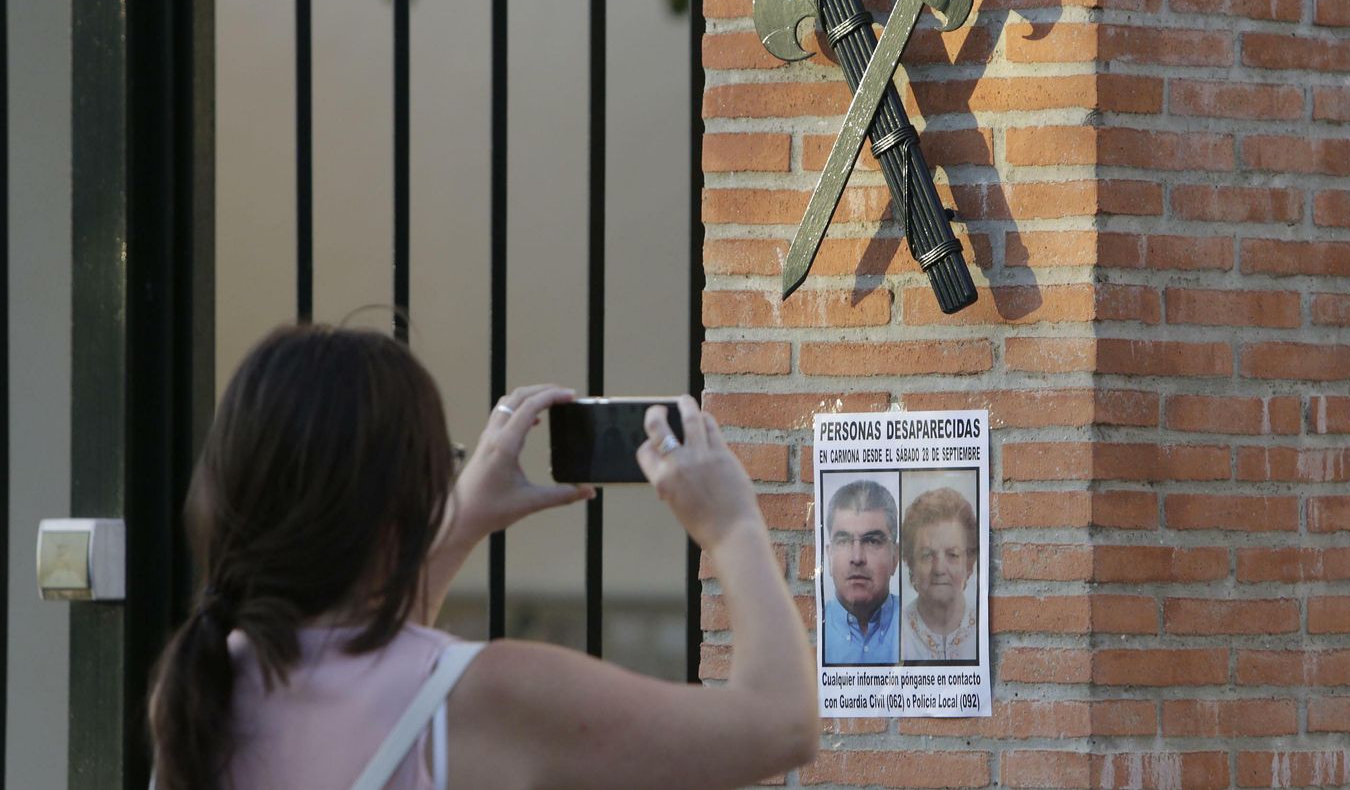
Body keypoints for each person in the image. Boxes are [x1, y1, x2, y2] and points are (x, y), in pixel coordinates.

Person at [146, 325, 817, 790]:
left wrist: (456, 521)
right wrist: (731, 527)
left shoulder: (201, 690)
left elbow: (380, 656)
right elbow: (780, 725)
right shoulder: (490, 695)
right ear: (398, 511)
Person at [820, 479, 899, 665]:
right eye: (844, 541)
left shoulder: (922, 629)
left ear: (895, 557)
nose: (857, 558)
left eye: (872, 541)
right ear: (829, 557)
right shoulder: (811, 631)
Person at [899, 487, 978, 662]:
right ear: (911, 562)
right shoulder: (895, 631)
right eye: (927, 555)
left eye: (953, 555)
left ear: (969, 563)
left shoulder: (985, 628)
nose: (939, 569)